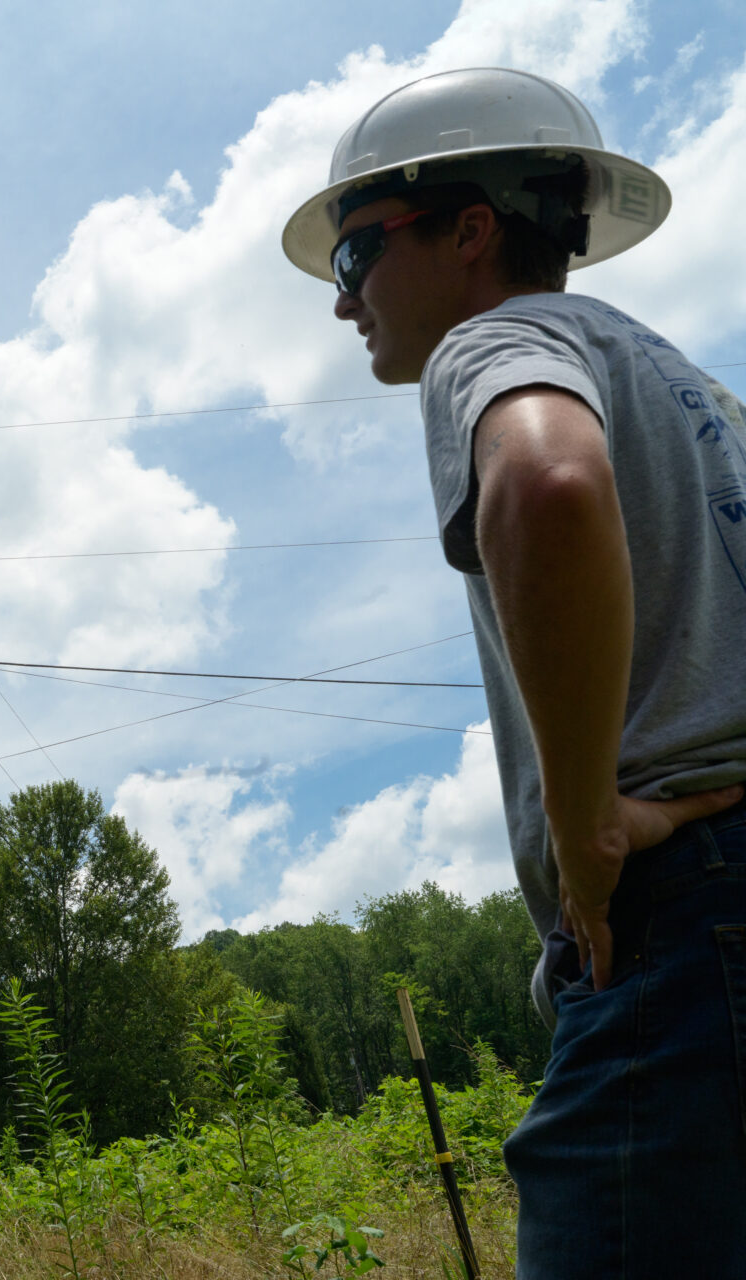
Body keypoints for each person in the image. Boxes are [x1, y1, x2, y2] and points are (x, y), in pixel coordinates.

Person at [285, 68, 746, 1274]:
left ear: (471, 231)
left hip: (680, 929)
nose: (343, 300)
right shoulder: (699, 393)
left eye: (356, 254)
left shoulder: (491, 342)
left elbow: (547, 482)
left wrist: (588, 824)